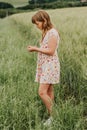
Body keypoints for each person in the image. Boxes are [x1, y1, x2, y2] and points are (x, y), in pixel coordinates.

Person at [27, 10, 60, 126]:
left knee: (41, 92)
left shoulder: (52, 33)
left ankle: (55, 116)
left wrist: (36, 49)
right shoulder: (46, 32)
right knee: (49, 91)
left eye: (37, 23)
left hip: (50, 66)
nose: (37, 26)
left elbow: (51, 51)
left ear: (44, 20)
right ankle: (52, 117)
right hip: (46, 65)